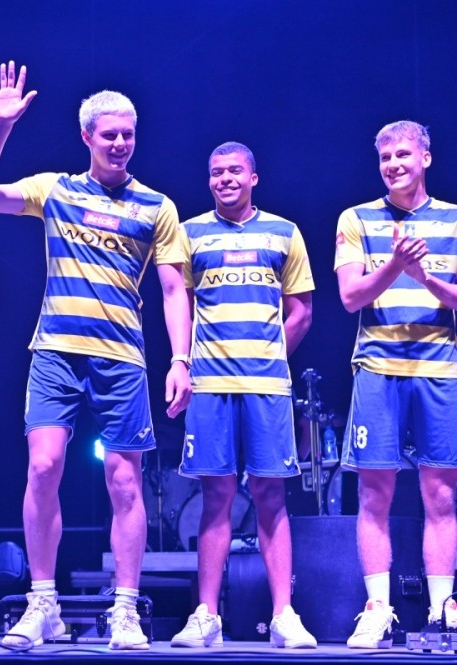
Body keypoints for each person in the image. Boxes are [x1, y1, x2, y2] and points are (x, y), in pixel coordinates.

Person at [0, 61, 191, 649]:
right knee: (42, 468)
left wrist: (180, 360)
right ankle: (43, 604)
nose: (120, 144)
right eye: (109, 134)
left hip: (122, 357)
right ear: (86, 136)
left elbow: (172, 290)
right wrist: (0, 129)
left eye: (128, 134)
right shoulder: (56, 190)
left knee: (125, 481)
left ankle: (126, 611)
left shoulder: (156, 207)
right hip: (56, 353)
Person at [168, 142, 316, 648]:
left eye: (235, 170)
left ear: (254, 177)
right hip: (210, 385)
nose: (225, 178)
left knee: (272, 496)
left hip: (267, 386)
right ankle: (206, 615)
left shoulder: (285, 232)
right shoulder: (189, 233)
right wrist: (184, 363)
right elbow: (180, 305)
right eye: (216, 172)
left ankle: (283, 616)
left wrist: (268, 355)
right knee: (216, 497)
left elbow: (301, 311)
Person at [336, 120, 457, 648]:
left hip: (440, 371)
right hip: (378, 370)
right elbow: (350, 297)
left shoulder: (453, 219)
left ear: (425, 158)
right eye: (385, 157)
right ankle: (378, 609)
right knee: (373, 494)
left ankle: (442, 610)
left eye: (403, 155)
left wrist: (424, 276)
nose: (393, 165)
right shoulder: (357, 218)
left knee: (441, 494)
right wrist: (395, 265)